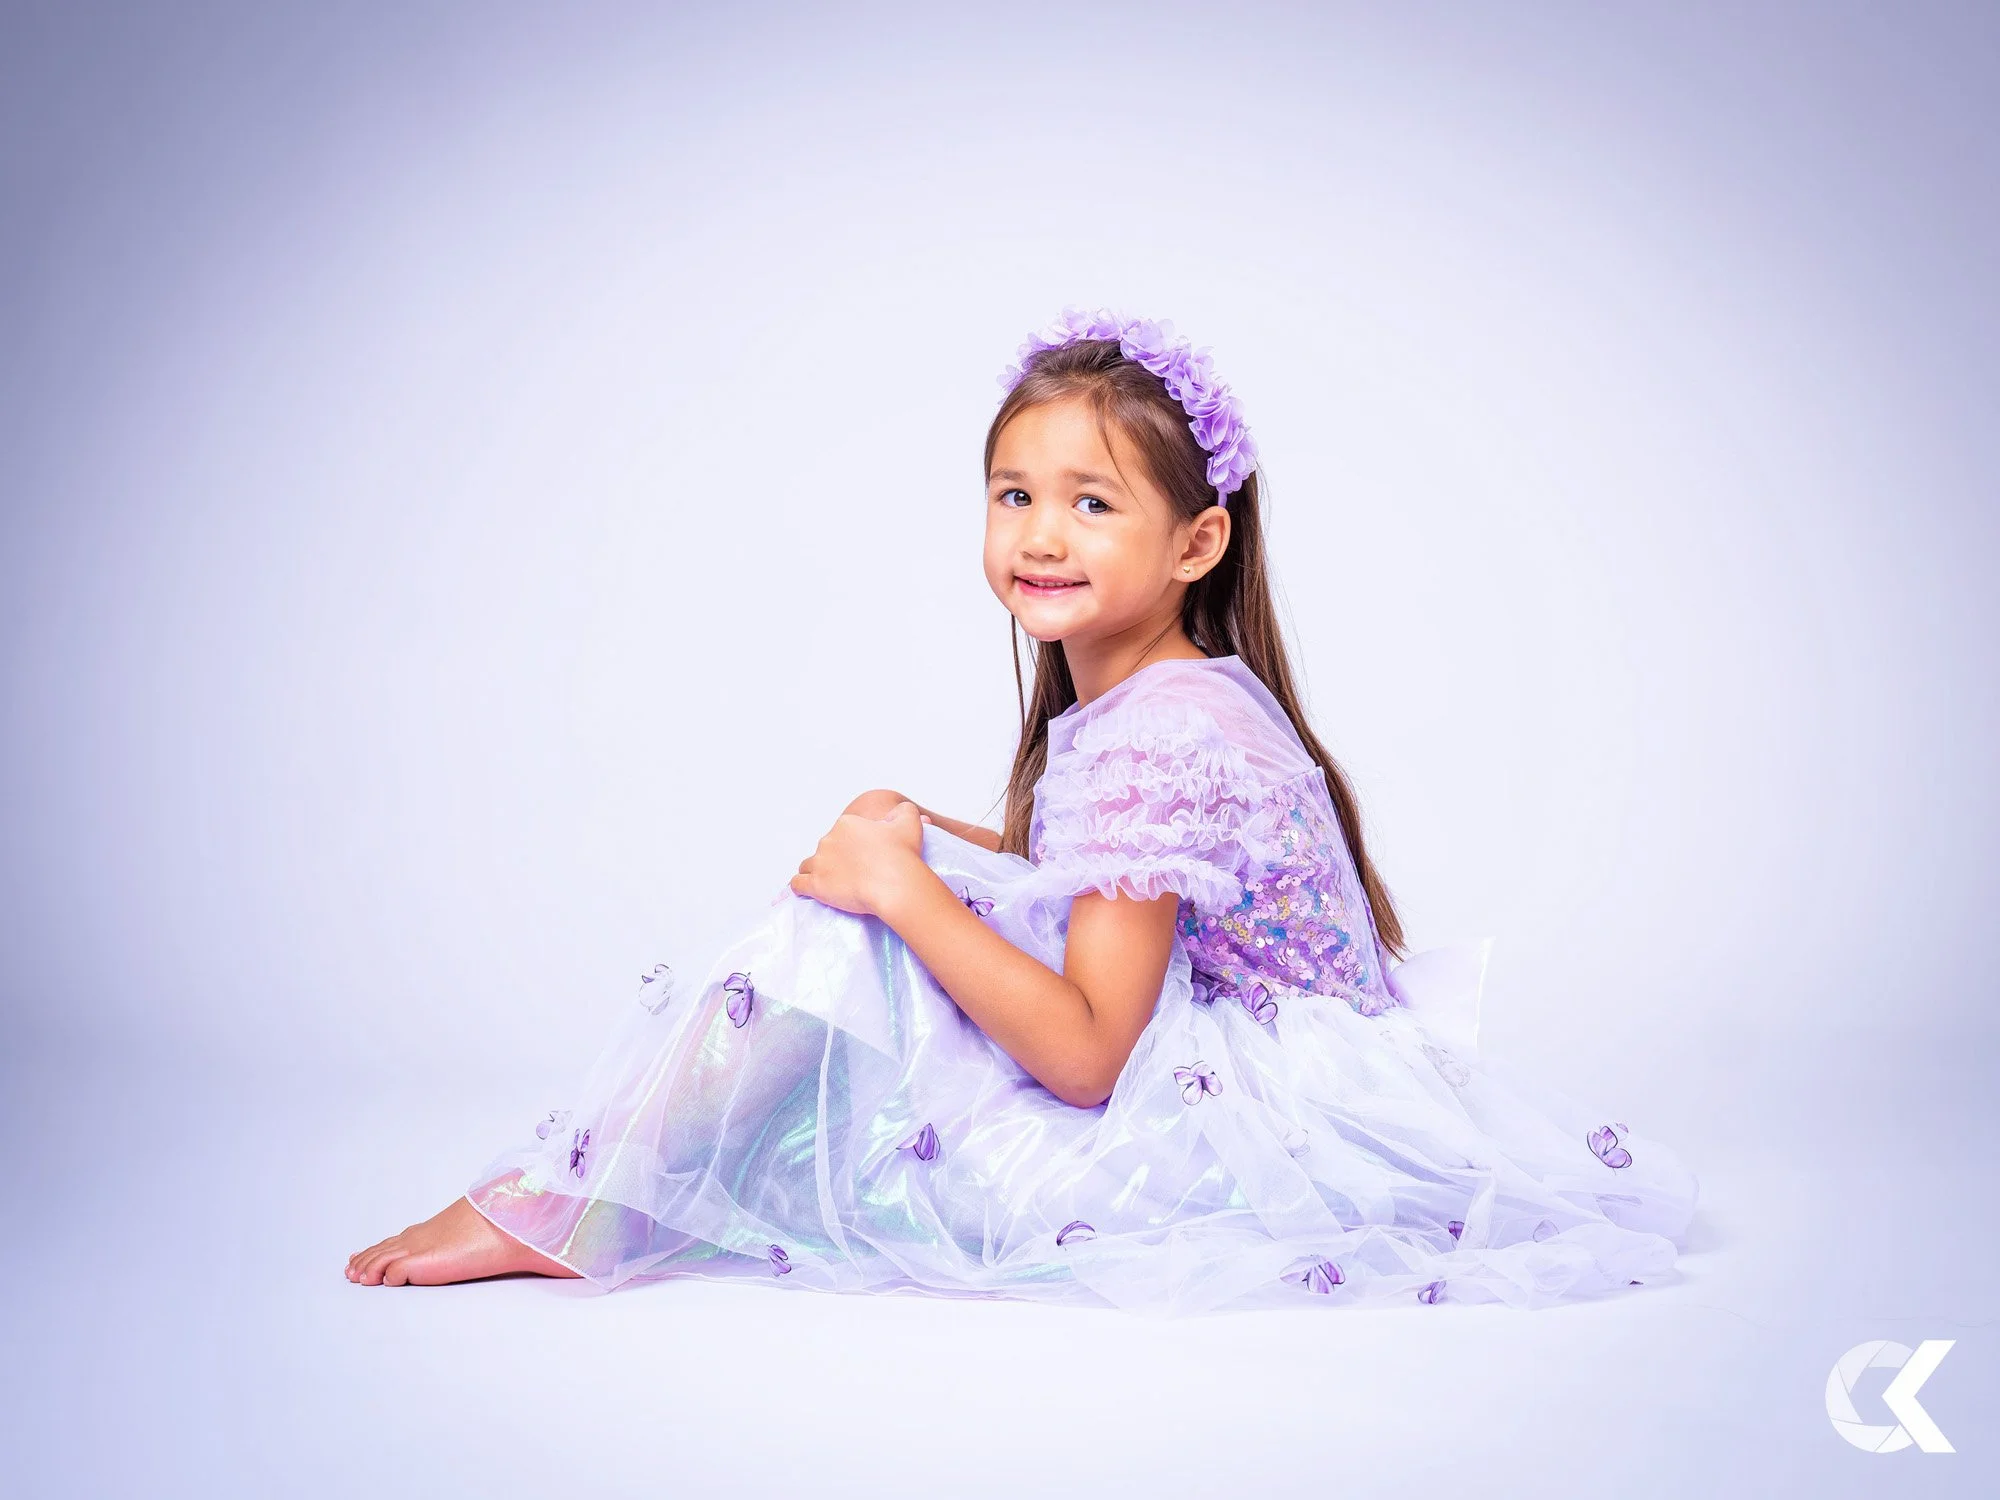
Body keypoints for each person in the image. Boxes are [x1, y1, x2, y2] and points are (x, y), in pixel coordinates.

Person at [345, 308, 1698, 1312]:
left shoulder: (1168, 732)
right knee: (891, 868)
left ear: (1197, 542)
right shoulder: (1158, 698)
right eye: (1016, 496)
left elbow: (1093, 1056)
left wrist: (905, 890)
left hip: (1242, 1132)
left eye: (1092, 503)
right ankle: (615, 1182)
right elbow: (1088, 887)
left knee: (855, 927)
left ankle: (584, 1200)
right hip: (1221, 1064)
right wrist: (933, 840)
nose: (1041, 535)